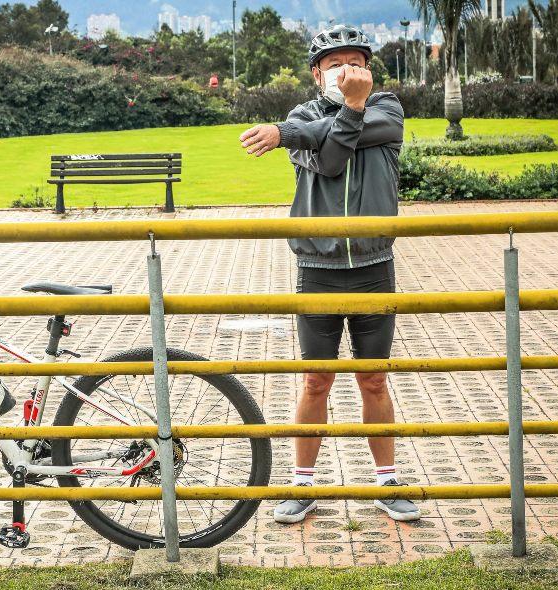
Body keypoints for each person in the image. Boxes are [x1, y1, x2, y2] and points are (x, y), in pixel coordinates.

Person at [238, 24, 420, 524]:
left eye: (355, 62)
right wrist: (335, 120)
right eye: (334, 63)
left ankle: (387, 483)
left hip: (373, 266)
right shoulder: (303, 115)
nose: (346, 71)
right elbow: (335, 160)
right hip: (318, 267)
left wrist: (286, 135)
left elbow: (337, 138)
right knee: (316, 379)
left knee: (374, 380)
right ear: (317, 72)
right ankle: (302, 486)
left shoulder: (388, 109)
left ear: (368, 68)